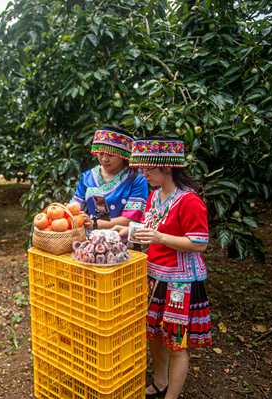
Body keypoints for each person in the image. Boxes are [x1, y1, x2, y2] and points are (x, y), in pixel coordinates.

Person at [113, 137, 211, 399]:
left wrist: (160, 238)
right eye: (142, 170)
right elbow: (149, 227)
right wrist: (127, 229)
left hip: (181, 282)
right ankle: (160, 382)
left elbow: (199, 243)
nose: (144, 175)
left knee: (175, 344)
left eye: (148, 170)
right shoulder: (155, 195)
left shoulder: (190, 201)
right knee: (154, 334)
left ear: (167, 168)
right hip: (154, 275)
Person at [70, 126, 149, 231]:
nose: (104, 159)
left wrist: (94, 224)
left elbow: (131, 219)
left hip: (122, 243)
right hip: (90, 242)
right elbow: (75, 209)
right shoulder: (87, 177)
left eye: (111, 155)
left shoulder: (137, 180)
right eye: (101, 153)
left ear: (123, 155)